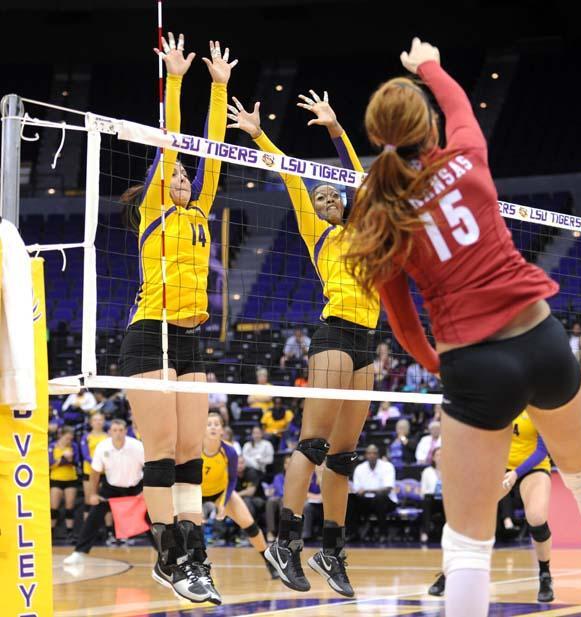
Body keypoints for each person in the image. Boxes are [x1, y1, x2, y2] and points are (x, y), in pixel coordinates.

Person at [343, 38, 581, 614]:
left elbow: (404, 329)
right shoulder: (466, 160)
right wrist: (427, 63)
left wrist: (441, 367)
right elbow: (459, 108)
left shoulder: (386, 220)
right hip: (543, 339)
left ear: (380, 141)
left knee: (470, 541)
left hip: (476, 366)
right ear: (428, 129)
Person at [229, 89, 378, 598]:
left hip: (368, 342)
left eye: (333, 194)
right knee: (313, 444)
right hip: (334, 332)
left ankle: (331, 552)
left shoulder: (361, 224)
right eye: (321, 198)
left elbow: (355, 172)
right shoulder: (319, 232)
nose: (328, 197)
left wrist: (336, 128)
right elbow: (291, 174)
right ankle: (285, 543)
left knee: (344, 456)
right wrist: (256, 134)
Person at [117, 33, 236, 603]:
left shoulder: (202, 210)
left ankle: (194, 556)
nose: (184, 179)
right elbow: (172, 143)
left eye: (188, 177)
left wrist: (221, 88)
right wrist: (177, 79)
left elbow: (212, 152)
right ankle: (170, 558)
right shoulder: (153, 211)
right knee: (162, 451)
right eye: (175, 176)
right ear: (160, 187)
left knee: (191, 454)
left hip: (191, 339)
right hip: (149, 335)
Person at [200, 412, 278, 580]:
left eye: (217, 424)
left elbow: (232, 479)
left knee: (250, 526)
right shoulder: (194, 449)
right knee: (186, 527)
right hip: (196, 493)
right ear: (202, 429)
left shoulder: (229, 451)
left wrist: (222, 503)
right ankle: (189, 565)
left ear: (222, 430)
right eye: (209, 424)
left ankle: (268, 561)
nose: (213, 427)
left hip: (221, 492)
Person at [63, 420, 145, 563]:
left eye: (121, 430)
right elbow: (95, 472)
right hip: (111, 487)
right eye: (114, 430)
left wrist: (146, 490)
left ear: (126, 431)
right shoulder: (102, 447)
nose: (118, 433)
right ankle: (79, 552)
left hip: (135, 486)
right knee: (93, 517)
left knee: (152, 520)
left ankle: (164, 556)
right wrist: (94, 494)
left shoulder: (137, 446)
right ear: (109, 432)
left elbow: (150, 468)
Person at [501, 411, 555, 602]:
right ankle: (449, 572)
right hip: (500, 465)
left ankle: (545, 575)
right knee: (471, 514)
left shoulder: (539, 407)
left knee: (537, 519)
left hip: (533, 467)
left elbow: (541, 451)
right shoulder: (497, 399)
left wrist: (516, 473)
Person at [349, 444, 397, 542]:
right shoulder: (359, 468)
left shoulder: (387, 466)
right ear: (366, 455)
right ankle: (353, 533)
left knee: (380, 497)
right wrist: (360, 492)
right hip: (366, 501)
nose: (372, 455)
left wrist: (367, 490)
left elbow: (387, 489)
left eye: (374, 453)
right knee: (350, 499)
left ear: (378, 455)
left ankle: (383, 533)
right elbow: (357, 490)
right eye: (369, 453)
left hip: (387, 501)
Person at [49, 426, 80, 541]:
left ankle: (69, 532)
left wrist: (70, 459)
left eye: (70, 439)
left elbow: (77, 461)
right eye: (67, 438)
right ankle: (51, 532)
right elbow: (50, 463)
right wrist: (62, 459)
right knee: (54, 507)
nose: (69, 441)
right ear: (60, 436)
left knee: (70, 507)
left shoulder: (73, 446)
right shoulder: (53, 446)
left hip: (70, 478)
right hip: (56, 478)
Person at [79, 412, 108, 520]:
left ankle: (108, 532)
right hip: (89, 472)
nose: (98, 422)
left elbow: (109, 453)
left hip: (105, 473)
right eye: (95, 420)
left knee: (104, 501)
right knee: (89, 500)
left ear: (104, 422)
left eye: (100, 419)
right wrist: (98, 464)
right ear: (91, 422)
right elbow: (86, 455)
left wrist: (106, 463)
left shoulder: (108, 437)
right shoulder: (86, 437)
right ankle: (87, 531)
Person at [420, 446, 444, 544]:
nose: (440, 457)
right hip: (432, 500)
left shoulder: (451, 470)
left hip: (446, 501)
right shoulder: (427, 471)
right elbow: (423, 491)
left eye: (442, 455)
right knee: (427, 500)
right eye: (437, 455)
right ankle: (425, 532)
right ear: (433, 457)